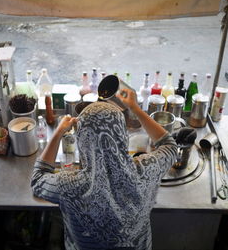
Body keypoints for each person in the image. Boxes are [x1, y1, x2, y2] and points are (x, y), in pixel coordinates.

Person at [31, 89, 177, 250]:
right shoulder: (146, 170)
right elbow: (169, 145)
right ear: (122, 135)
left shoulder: (69, 186)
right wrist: (135, 108)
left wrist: (58, 133)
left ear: (82, 141)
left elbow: (38, 179)